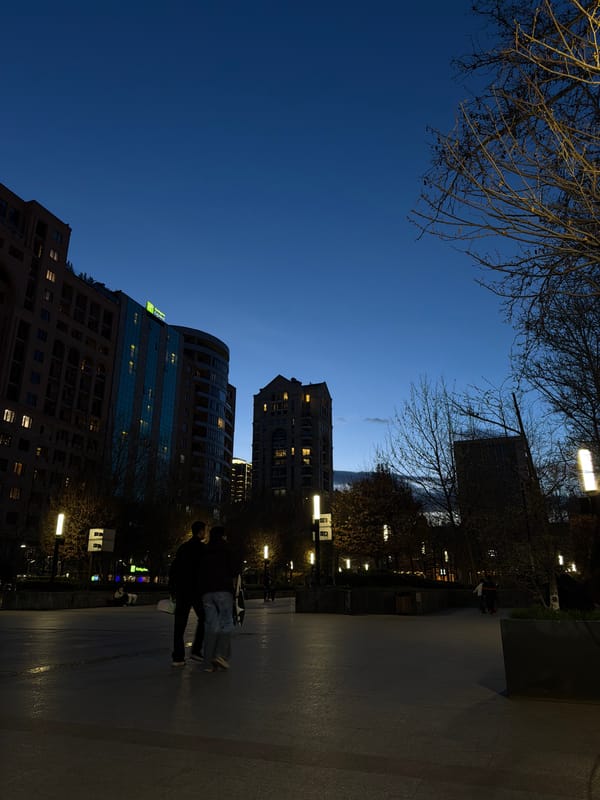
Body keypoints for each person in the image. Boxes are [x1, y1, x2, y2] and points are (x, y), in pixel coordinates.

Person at [168, 520, 206, 667]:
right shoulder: (202, 549)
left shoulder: (183, 548)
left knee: (179, 625)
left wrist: (172, 589)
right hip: (196, 591)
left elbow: (174, 569)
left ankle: (178, 657)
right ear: (200, 532)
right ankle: (196, 649)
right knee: (204, 618)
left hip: (182, 590)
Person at [200, 525, 238, 672]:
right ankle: (221, 655)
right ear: (223, 535)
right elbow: (234, 570)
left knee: (211, 626)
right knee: (226, 622)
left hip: (207, 591)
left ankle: (208, 663)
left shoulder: (205, 550)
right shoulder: (227, 549)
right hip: (223, 589)